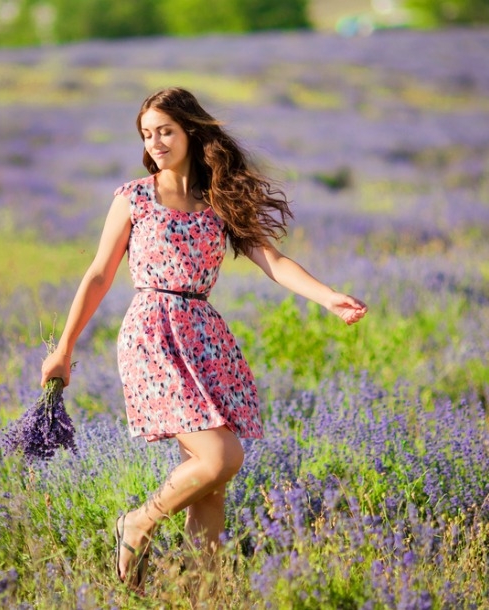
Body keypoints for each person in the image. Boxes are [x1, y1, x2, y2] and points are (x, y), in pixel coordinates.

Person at [39, 87, 368, 593]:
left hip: (205, 337)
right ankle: (138, 521)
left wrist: (328, 297)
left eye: (165, 131)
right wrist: (64, 348)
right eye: (147, 135)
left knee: (211, 486)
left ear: (190, 131)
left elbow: (274, 262)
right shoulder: (134, 198)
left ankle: (203, 596)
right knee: (220, 457)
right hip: (153, 332)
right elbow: (99, 275)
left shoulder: (219, 201)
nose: (155, 143)